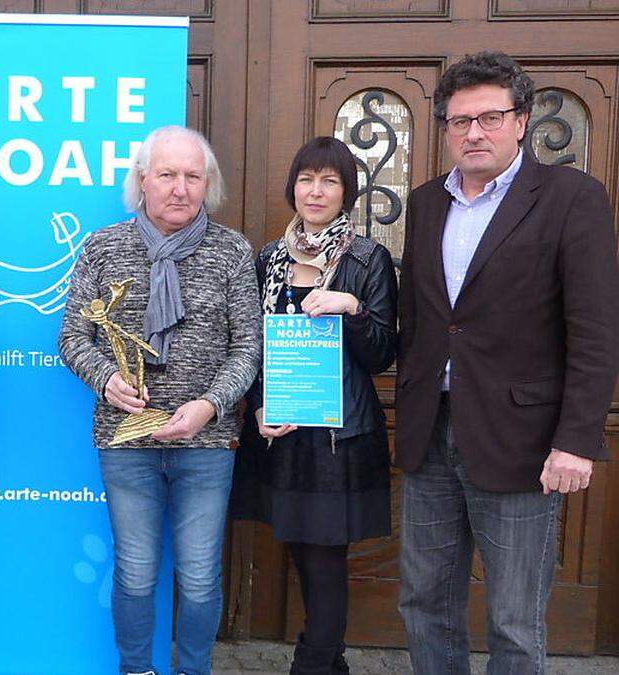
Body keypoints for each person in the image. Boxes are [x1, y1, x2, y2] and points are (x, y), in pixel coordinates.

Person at [395, 51, 619, 674]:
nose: (474, 132)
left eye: (490, 117)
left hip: (524, 443)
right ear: (444, 128)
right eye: (460, 120)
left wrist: (576, 440)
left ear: (521, 121)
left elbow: (597, 331)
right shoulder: (425, 203)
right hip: (429, 433)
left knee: (516, 620)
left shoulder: (572, 198)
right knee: (423, 603)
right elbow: (421, 317)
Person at [58, 125, 261, 675]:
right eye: (167, 174)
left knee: (198, 577)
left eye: (193, 176)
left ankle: (192, 670)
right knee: (136, 571)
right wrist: (106, 380)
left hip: (208, 443)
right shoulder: (103, 248)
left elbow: (248, 346)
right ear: (142, 181)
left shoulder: (232, 251)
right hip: (125, 443)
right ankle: (136, 671)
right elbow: (73, 338)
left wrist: (209, 405)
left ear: (207, 185)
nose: (180, 188)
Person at [232, 136, 397, 674]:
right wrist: (257, 407)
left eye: (329, 180)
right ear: (293, 187)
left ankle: (313, 663)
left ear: (347, 191)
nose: (316, 191)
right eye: (307, 179)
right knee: (302, 551)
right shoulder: (269, 259)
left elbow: (380, 355)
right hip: (284, 429)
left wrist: (350, 308)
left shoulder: (367, 259)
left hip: (340, 436)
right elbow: (252, 347)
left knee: (326, 557)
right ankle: (331, 663)